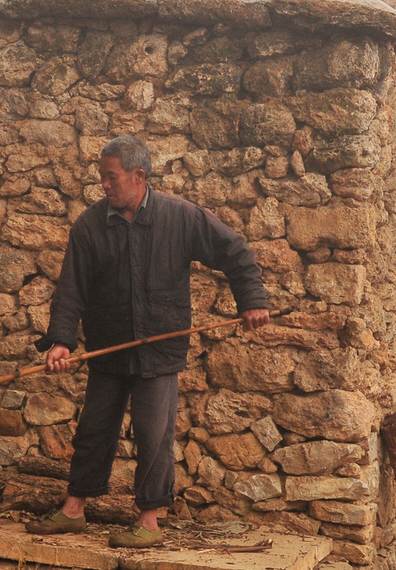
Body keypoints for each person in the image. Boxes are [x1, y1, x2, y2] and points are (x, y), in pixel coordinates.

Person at [26, 135, 270, 547]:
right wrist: (62, 341)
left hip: (159, 349)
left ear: (138, 176)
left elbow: (236, 252)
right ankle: (74, 510)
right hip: (108, 348)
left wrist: (253, 302)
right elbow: (71, 289)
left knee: (153, 434)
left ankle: (149, 521)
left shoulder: (180, 217)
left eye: (111, 177)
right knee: (93, 430)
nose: (104, 184)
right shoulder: (89, 226)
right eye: (102, 176)